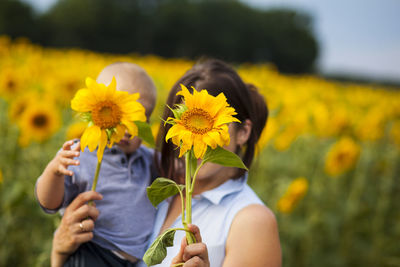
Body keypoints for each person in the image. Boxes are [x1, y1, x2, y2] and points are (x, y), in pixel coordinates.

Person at [51, 59, 281, 267]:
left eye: (212, 127)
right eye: (186, 123)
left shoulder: (251, 222)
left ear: (244, 132)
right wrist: (60, 252)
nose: (194, 138)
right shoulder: (153, 178)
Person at [36, 62, 158, 266]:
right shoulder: (79, 152)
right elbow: (49, 203)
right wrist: (54, 172)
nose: (128, 127)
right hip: (92, 251)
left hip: (133, 260)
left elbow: (180, 172)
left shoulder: (148, 159)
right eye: (119, 113)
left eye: (138, 117)